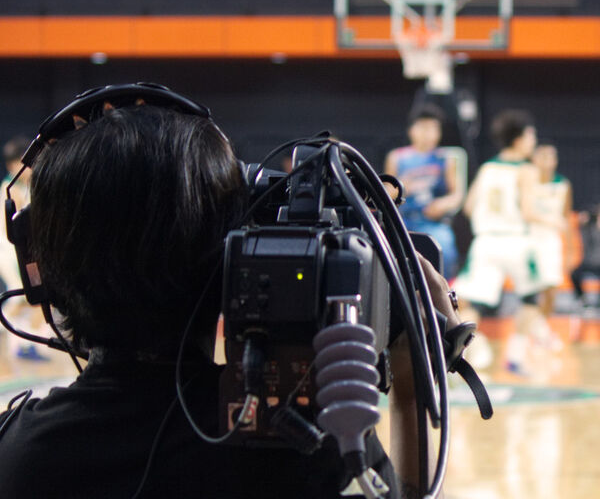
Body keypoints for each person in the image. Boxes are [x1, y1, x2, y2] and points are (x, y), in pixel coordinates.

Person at [0, 86, 463, 499]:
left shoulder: (19, 454)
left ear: (44, 273)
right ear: (233, 261)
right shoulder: (301, 451)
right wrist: (409, 381)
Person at [455, 110, 563, 373]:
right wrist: (553, 221)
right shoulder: (526, 170)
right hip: (515, 242)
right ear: (519, 138)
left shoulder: (487, 167)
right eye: (530, 135)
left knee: (474, 303)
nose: (533, 140)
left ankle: (469, 348)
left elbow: (468, 207)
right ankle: (515, 356)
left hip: (485, 242)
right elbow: (527, 211)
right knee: (529, 300)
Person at [384, 104, 463, 280]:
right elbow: (386, 194)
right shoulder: (398, 157)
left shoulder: (445, 158)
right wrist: (403, 187)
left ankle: (444, 289)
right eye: (424, 128)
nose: (428, 133)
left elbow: (456, 195)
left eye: (433, 128)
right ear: (412, 130)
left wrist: (442, 204)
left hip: (432, 222)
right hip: (403, 220)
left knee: (445, 246)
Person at [0, 136, 50, 360]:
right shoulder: (11, 190)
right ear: (15, 165)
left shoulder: (27, 186)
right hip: (9, 249)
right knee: (23, 292)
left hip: (22, 248)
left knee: (33, 294)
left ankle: (24, 345)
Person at [530, 143, 574, 318]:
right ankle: (529, 329)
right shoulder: (527, 183)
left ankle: (543, 325)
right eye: (543, 156)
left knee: (551, 287)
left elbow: (567, 218)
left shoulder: (562, 185)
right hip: (529, 237)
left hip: (550, 240)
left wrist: (569, 250)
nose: (548, 161)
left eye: (551, 157)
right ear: (534, 159)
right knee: (531, 289)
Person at [570, 206, 600, 309]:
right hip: (589, 262)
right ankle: (581, 299)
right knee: (574, 273)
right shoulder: (589, 227)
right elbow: (581, 222)